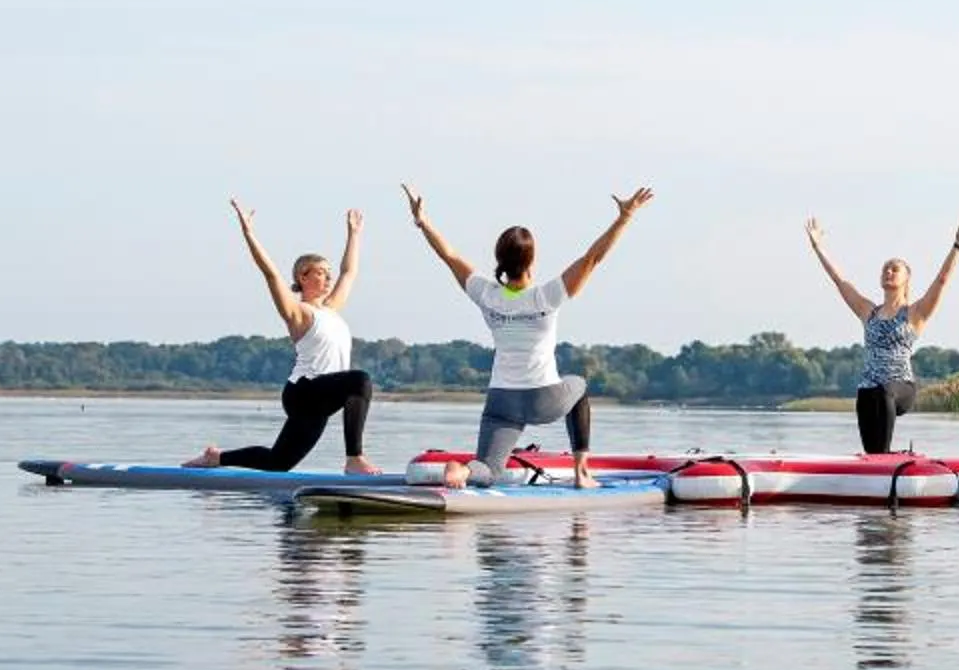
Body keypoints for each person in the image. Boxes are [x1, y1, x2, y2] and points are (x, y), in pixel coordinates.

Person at [405, 184, 654, 488]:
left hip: (501, 400)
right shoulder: (546, 296)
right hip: (543, 398)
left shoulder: (486, 294)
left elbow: (449, 255)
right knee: (580, 387)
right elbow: (593, 258)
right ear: (532, 261)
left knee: (489, 469)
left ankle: (464, 472)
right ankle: (581, 473)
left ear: (499, 259)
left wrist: (423, 221)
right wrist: (624, 218)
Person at [185, 201, 377, 474]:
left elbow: (349, 272)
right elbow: (270, 274)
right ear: (302, 276)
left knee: (279, 463)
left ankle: (216, 458)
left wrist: (354, 235)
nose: (327, 279)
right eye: (321, 273)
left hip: (320, 400)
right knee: (361, 380)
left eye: (328, 274)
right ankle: (354, 458)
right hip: (304, 392)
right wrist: (249, 234)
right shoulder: (299, 313)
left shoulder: (332, 309)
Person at [804, 212, 959, 455]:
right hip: (869, 392)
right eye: (885, 269)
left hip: (902, 389)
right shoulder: (867, 311)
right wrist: (818, 247)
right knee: (867, 395)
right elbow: (839, 280)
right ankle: (879, 463)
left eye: (894, 269)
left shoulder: (915, 313)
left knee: (883, 391)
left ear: (906, 278)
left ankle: (886, 458)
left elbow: (941, 281)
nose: (888, 272)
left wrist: (957, 246)